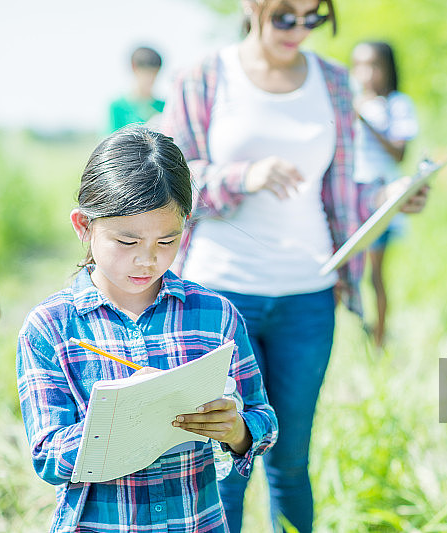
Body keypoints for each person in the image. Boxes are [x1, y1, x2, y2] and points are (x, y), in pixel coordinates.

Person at [160, 1, 426, 531]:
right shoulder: (204, 77)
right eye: (286, 16)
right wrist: (244, 175)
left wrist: (390, 195)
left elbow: (344, 187)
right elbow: (173, 182)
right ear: (252, 7)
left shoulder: (333, 79)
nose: (299, 29)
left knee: (290, 458)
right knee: (222, 461)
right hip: (220, 293)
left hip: (309, 294)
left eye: (313, 18)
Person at [16, 126, 277, 532]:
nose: (147, 260)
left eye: (166, 241)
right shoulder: (51, 327)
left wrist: (238, 430)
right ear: (84, 226)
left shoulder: (215, 316)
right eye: (126, 241)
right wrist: (120, 420)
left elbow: (263, 418)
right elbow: (47, 455)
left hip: (197, 521)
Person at [350, 40, 419, 347]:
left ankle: (379, 339)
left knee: (374, 274)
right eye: (360, 66)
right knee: (346, 273)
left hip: (382, 199)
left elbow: (399, 153)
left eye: (374, 65)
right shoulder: (351, 100)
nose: (367, 73)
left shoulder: (396, 104)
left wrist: (364, 120)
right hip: (350, 200)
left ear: (388, 68)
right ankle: (362, 330)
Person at [108, 46, 165, 131]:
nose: (150, 79)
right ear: (134, 67)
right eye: (146, 73)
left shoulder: (164, 107)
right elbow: (109, 142)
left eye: (154, 73)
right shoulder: (117, 107)